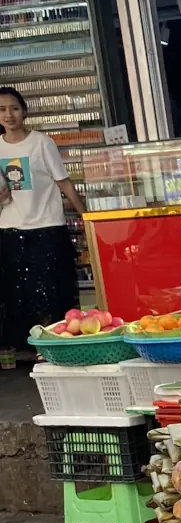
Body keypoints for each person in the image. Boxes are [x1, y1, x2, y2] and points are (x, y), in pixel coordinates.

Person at [0, 87, 87, 351]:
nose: (9, 115)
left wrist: (87, 218)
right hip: (10, 230)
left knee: (52, 292)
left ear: (24, 110)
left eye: (14, 108)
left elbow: (65, 183)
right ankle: (25, 349)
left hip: (47, 228)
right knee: (17, 294)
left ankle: (57, 347)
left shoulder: (41, 142)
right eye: (2, 110)